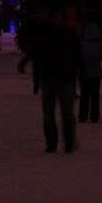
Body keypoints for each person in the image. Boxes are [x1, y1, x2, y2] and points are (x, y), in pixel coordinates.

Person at [32, 10, 81, 153]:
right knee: (51, 114)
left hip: (63, 79)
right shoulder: (47, 35)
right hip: (52, 78)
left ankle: (67, 142)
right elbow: (38, 59)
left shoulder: (68, 35)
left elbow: (77, 56)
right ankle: (53, 142)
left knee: (65, 113)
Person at [78, 16, 102, 124]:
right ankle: (94, 116)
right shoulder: (99, 45)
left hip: (84, 73)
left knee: (84, 95)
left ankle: (82, 116)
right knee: (95, 95)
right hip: (96, 74)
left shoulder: (82, 44)